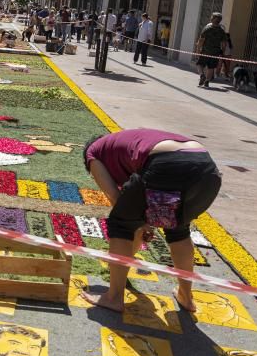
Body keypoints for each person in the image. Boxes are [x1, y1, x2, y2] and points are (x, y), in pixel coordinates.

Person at [81, 129, 222, 314]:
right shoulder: (126, 143)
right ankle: (186, 296)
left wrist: (140, 222)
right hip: (207, 170)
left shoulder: (94, 152)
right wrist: (143, 220)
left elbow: (115, 197)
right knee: (178, 229)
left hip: (167, 164)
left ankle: (114, 297)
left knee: (121, 223)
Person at [196, 12, 226, 89]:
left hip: (205, 51)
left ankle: (202, 75)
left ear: (212, 19)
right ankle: (207, 81)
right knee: (211, 67)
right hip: (215, 52)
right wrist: (222, 52)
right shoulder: (222, 31)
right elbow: (224, 43)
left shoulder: (207, 28)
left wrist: (198, 50)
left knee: (200, 64)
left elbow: (201, 40)